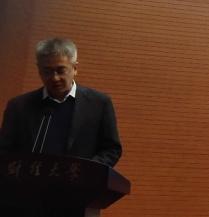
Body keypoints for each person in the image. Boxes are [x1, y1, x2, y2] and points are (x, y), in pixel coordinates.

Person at [0, 38, 122, 166]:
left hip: (79, 177)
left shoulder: (99, 103)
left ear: (75, 68)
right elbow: (4, 150)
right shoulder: (18, 106)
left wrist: (86, 170)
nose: (55, 78)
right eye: (47, 72)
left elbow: (111, 149)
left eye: (61, 71)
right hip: (30, 177)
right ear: (39, 69)